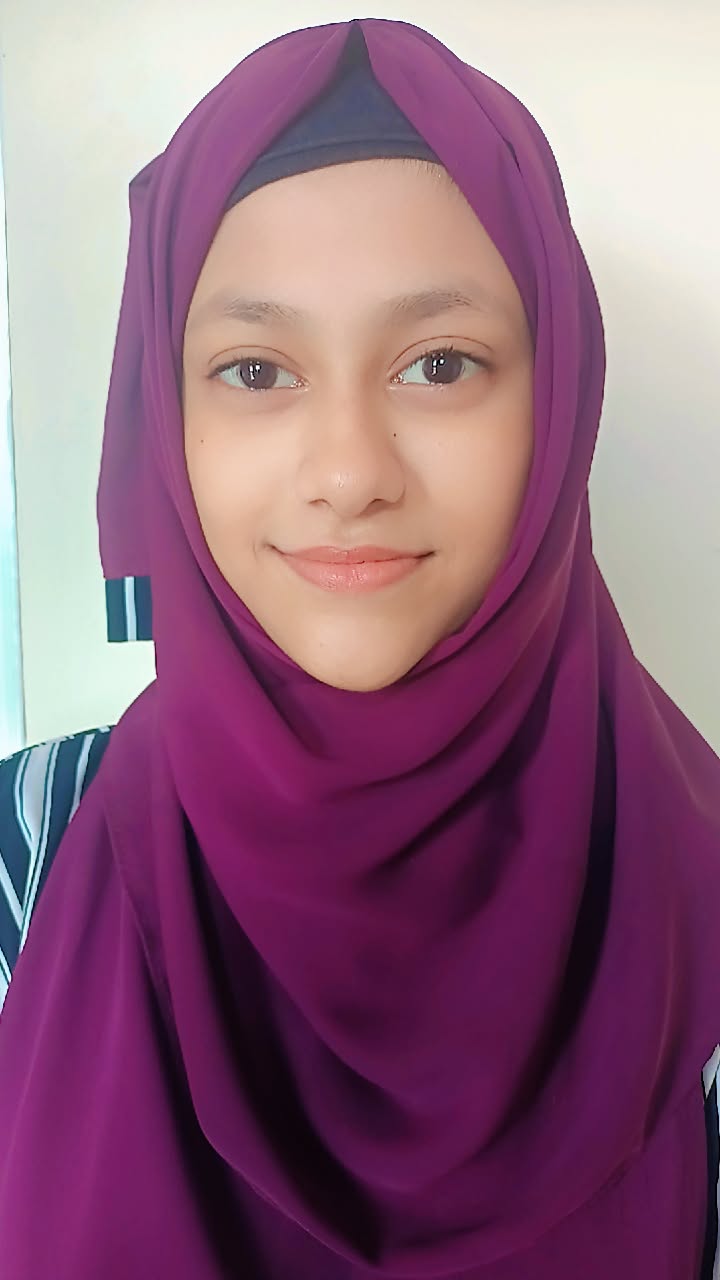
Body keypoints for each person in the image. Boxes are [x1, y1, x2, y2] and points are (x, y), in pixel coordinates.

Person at [0, 15, 719, 1278]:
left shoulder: (702, 903)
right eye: (255, 371)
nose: (348, 472)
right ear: (167, 415)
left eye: (439, 364)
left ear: (560, 400)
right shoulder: (25, 853)